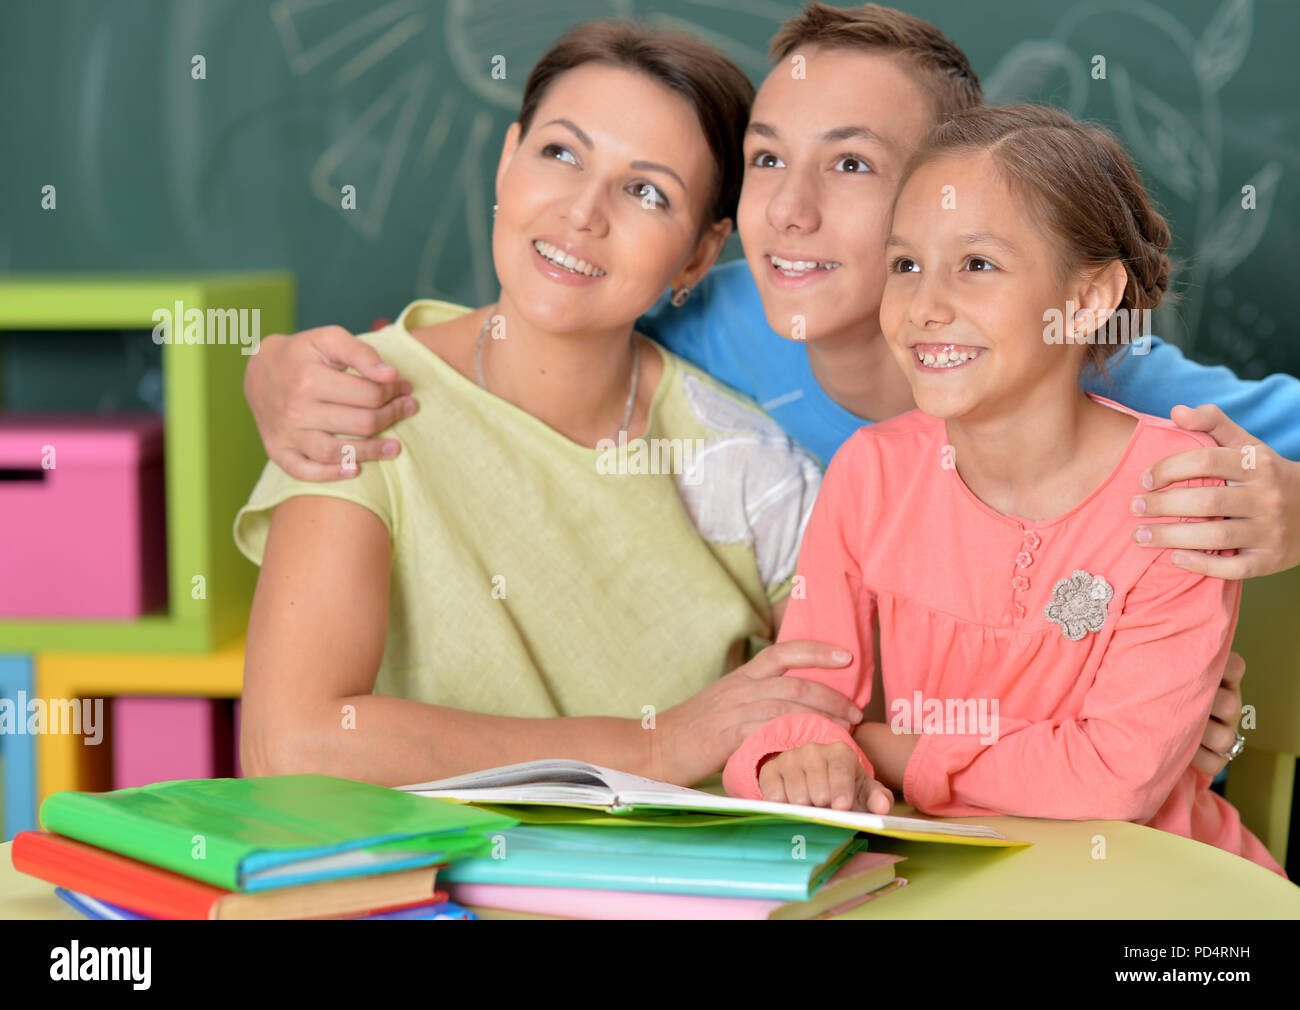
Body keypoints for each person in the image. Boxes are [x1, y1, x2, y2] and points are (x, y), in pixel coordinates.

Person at [240, 3, 1294, 781]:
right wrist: (274, 366)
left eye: (849, 167)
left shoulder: (1101, 374)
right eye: (766, 160)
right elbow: (536, 330)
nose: (788, 210)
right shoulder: (698, 333)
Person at [234, 21, 854, 790]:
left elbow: (824, 716)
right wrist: (652, 750)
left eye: (646, 192)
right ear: (507, 160)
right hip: (427, 898)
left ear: (698, 253)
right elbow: (291, 745)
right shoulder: (356, 402)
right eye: (560, 154)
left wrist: (805, 757)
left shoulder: (750, 466)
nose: (583, 213)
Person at [722, 104, 1285, 878]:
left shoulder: (1178, 493)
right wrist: (802, 757)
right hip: (948, 878)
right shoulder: (872, 473)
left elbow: (1113, 779)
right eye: (906, 265)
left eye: (977, 264)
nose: (924, 307)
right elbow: (800, 704)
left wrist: (885, 750)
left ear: (1087, 300)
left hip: (1155, 886)